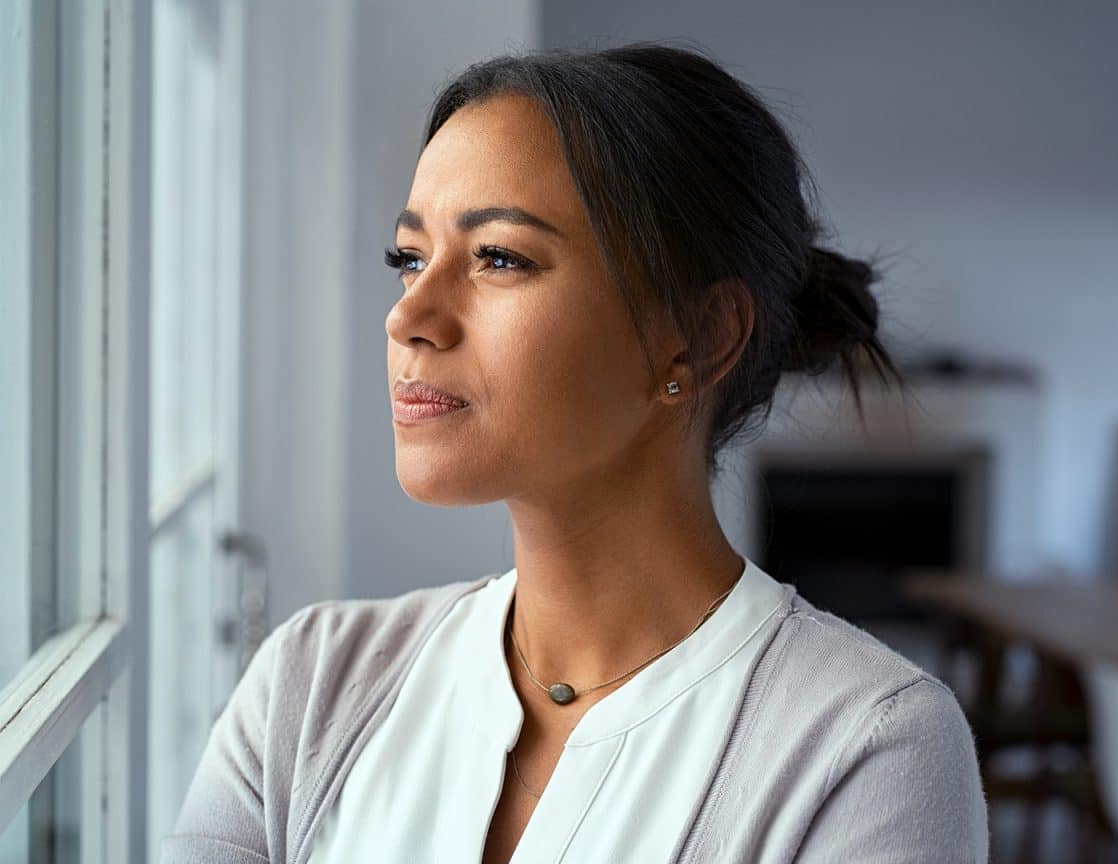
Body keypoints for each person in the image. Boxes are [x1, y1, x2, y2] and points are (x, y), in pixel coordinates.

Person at [162, 41, 988, 864]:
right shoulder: (310, 687)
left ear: (694, 341)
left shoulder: (869, 752)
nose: (408, 315)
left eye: (499, 258)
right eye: (410, 258)